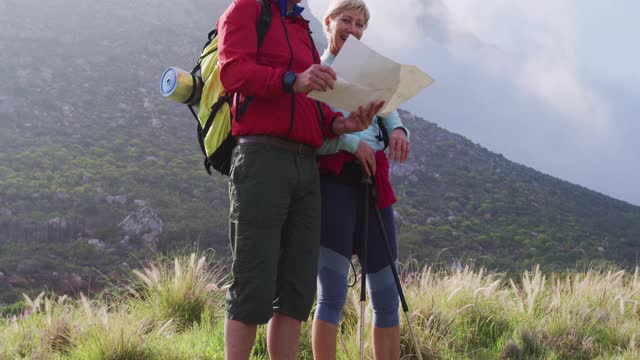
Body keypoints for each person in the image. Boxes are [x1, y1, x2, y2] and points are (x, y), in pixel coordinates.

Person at [217, 0, 384, 358]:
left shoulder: (299, 26)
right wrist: (292, 80)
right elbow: (231, 72)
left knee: (297, 292)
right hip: (262, 160)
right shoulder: (247, 9)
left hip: (306, 167)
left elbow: (310, 104)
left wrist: (341, 125)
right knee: (253, 285)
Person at [312, 0, 411, 359]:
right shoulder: (318, 72)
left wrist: (399, 130)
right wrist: (354, 144)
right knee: (332, 295)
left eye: (359, 24)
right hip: (334, 184)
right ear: (328, 22)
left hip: (374, 184)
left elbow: (389, 113)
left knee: (387, 295)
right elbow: (313, 134)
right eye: (346, 20)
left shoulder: (370, 74)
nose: (352, 30)